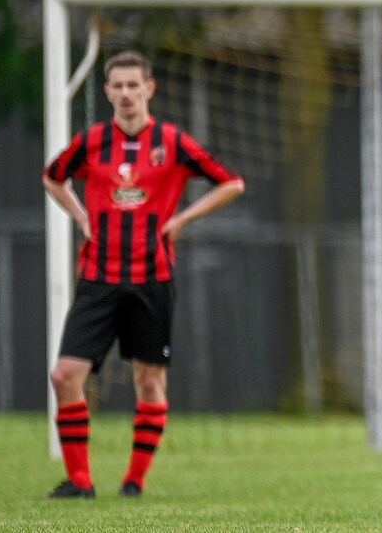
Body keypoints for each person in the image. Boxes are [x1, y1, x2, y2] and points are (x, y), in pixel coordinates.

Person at [42, 50, 245, 499]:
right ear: (107, 91)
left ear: (149, 88)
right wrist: (79, 216)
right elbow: (53, 177)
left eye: (135, 85)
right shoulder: (91, 141)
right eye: (119, 85)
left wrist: (183, 219)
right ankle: (80, 482)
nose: (127, 93)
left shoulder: (172, 141)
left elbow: (231, 182)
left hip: (153, 278)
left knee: (149, 380)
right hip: (99, 277)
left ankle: (135, 481)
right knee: (65, 375)